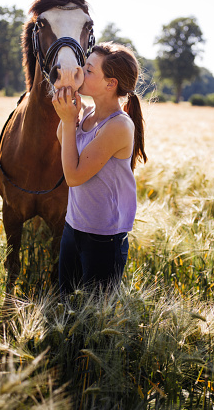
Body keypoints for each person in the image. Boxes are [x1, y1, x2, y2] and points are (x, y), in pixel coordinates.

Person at [52, 42, 147, 295]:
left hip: (103, 238)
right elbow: (64, 139)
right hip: (73, 226)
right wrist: (69, 116)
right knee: (66, 307)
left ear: (110, 83)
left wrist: (70, 119)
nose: (81, 70)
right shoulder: (87, 113)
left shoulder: (118, 126)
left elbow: (73, 176)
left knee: (95, 323)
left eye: (89, 69)